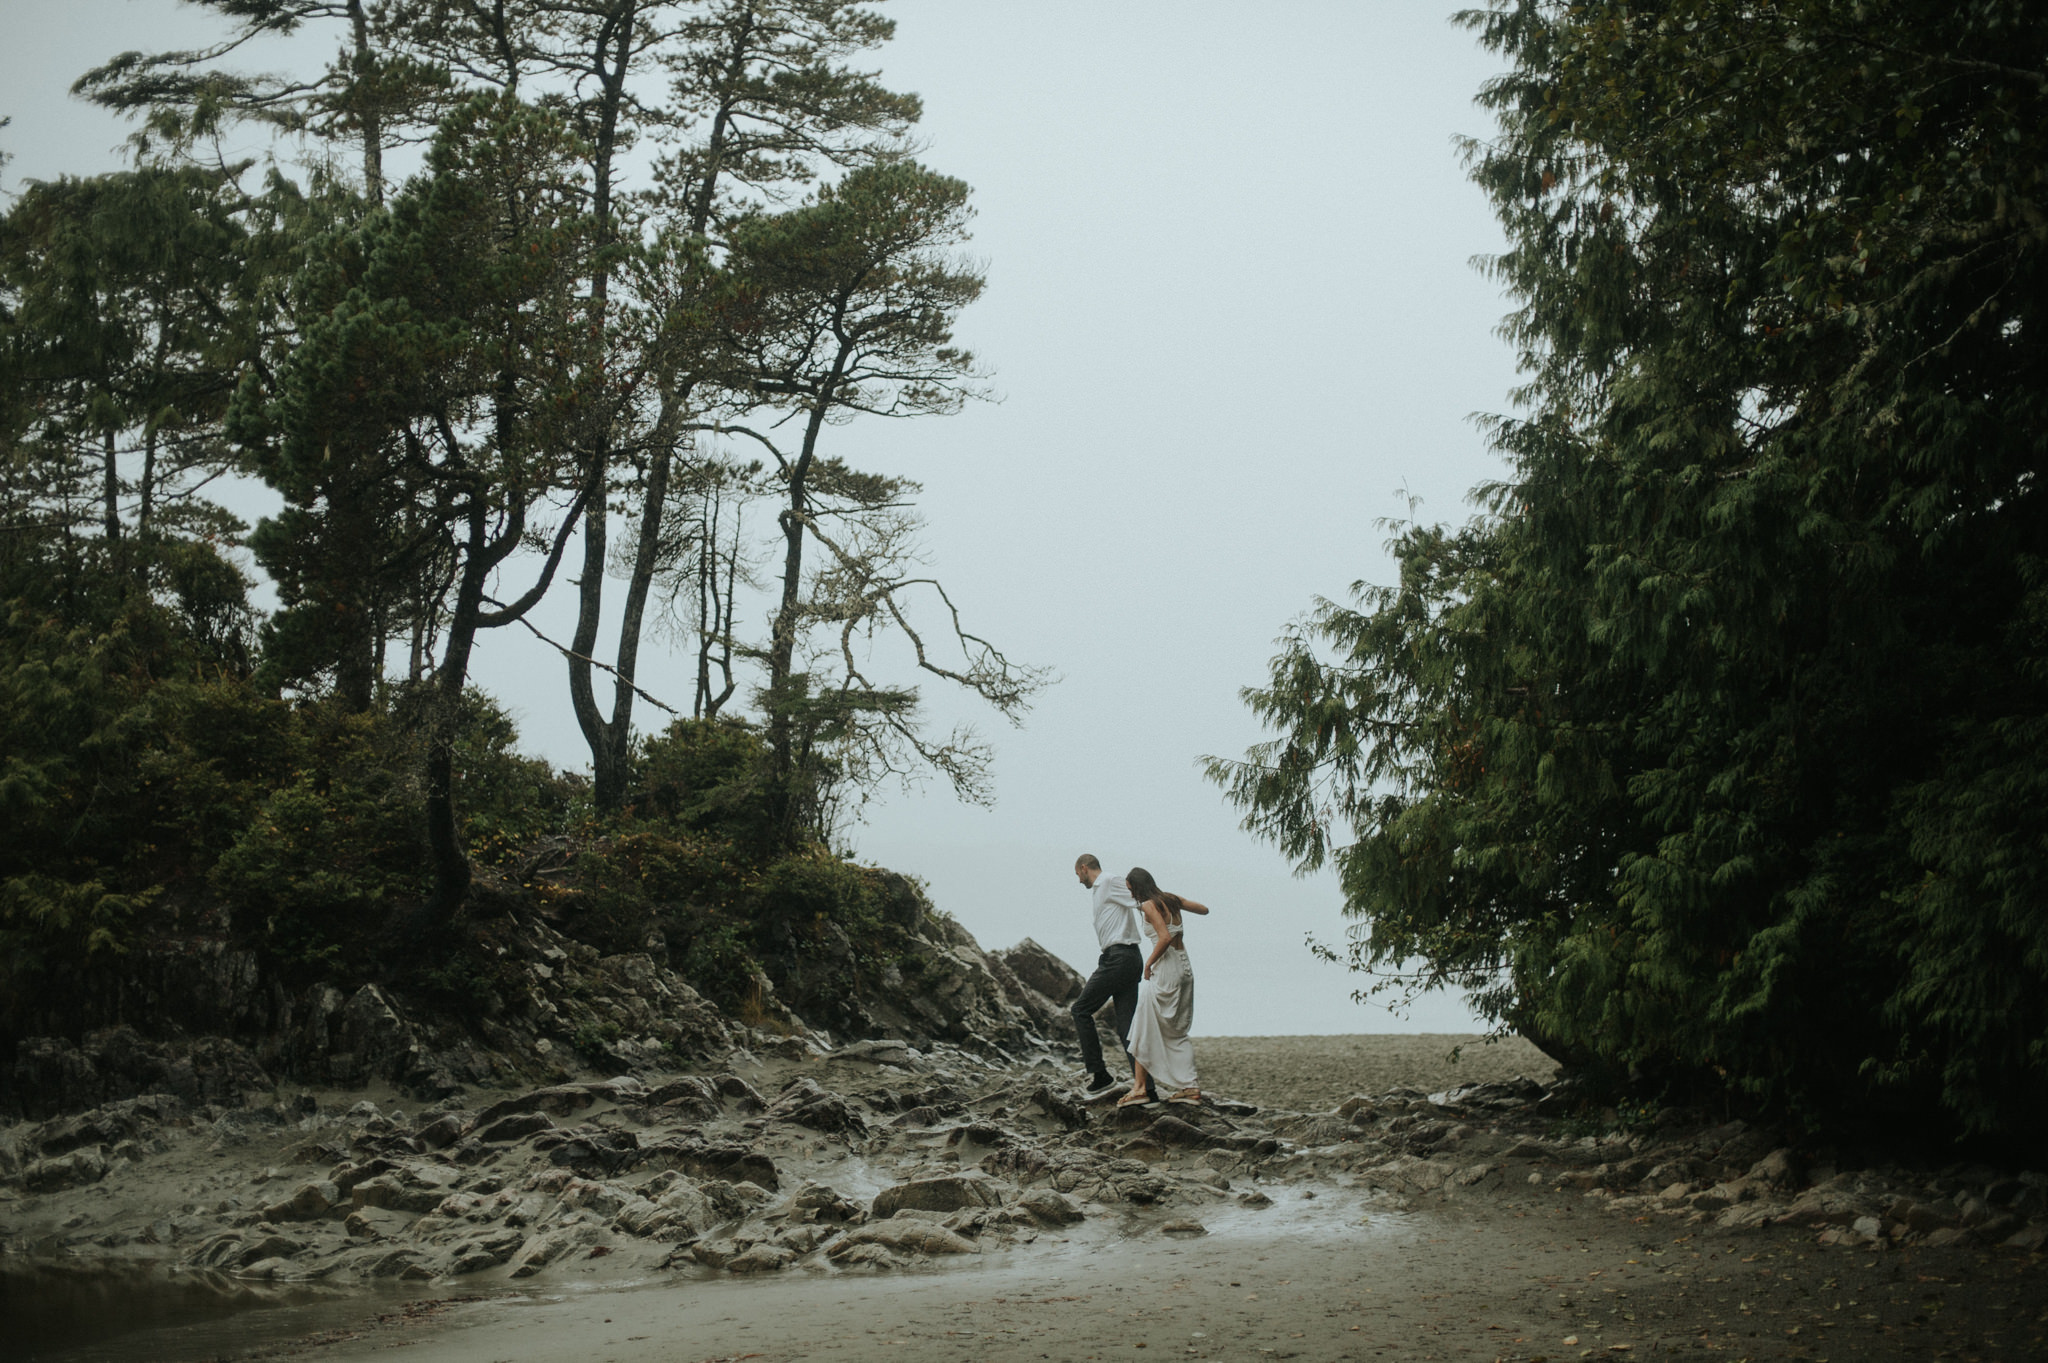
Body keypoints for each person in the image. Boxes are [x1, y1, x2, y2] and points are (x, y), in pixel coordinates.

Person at [1119, 866, 1210, 1107]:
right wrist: (1179, 904)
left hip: (1167, 970)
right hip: (1185, 968)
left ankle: (1139, 1089)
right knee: (1176, 1030)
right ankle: (1190, 1086)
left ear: (1136, 887)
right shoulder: (1170, 899)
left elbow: (1164, 937)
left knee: (1142, 1024)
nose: (1130, 895)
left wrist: (1148, 964)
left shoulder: (1148, 904)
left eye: (1130, 889)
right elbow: (1204, 909)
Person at [1069, 854, 1143, 1094]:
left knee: (1080, 1010)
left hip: (1119, 958)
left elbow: (1141, 899)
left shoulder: (1108, 881)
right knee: (1126, 1028)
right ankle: (1146, 1089)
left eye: (1077, 874)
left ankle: (1100, 1075)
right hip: (1126, 959)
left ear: (1083, 868)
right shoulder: (1100, 889)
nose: (1078, 880)